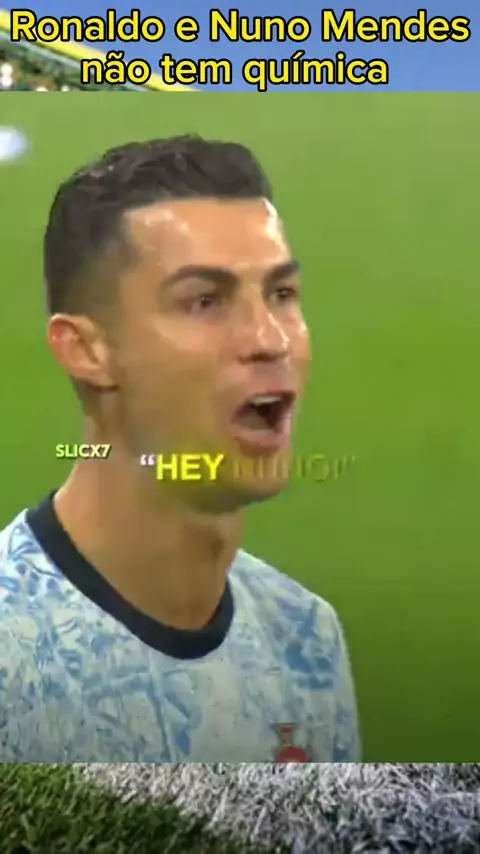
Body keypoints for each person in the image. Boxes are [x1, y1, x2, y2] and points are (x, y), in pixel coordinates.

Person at [0, 136, 360, 762]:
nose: (269, 338)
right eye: (204, 301)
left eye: (281, 294)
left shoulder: (307, 638)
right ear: (87, 351)